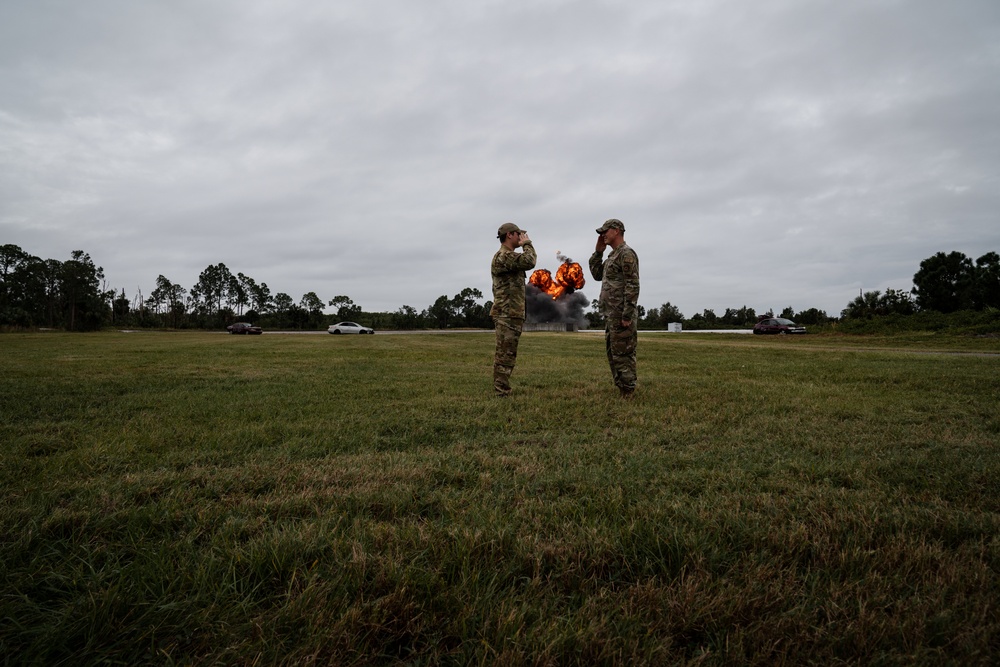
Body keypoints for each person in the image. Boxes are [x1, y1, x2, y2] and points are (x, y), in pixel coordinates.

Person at [589, 218, 640, 397]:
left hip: (621, 314)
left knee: (624, 352)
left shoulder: (626, 254)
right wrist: (598, 252)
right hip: (611, 314)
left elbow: (632, 285)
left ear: (616, 230)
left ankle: (628, 390)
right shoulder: (613, 256)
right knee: (614, 352)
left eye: (605, 231)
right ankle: (622, 388)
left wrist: (627, 314)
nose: (603, 235)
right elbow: (597, 275)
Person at [490, 222, 537, 396]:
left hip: (512, 313)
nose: (521, 237)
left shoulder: (509, 257)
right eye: (519, 234)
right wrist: (527, 243)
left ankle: (502, 387)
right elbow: (529, 260)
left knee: (508, 353)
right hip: (506, 313)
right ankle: (501, 390)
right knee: (505, 354)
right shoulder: (503, 256)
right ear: (509, 235)